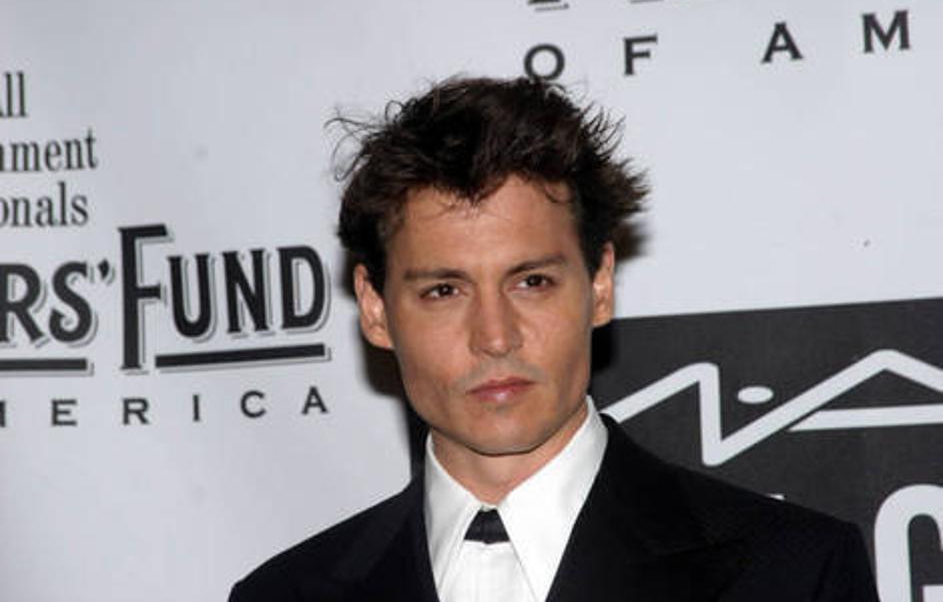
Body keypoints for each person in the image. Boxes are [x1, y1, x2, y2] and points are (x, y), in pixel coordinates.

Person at [229, 77, 878, 601]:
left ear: (599, 284)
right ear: (375, 309)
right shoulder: (283, 595)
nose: (494, 337)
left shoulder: (791, 574)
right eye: (444, 290)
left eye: (531, 282)